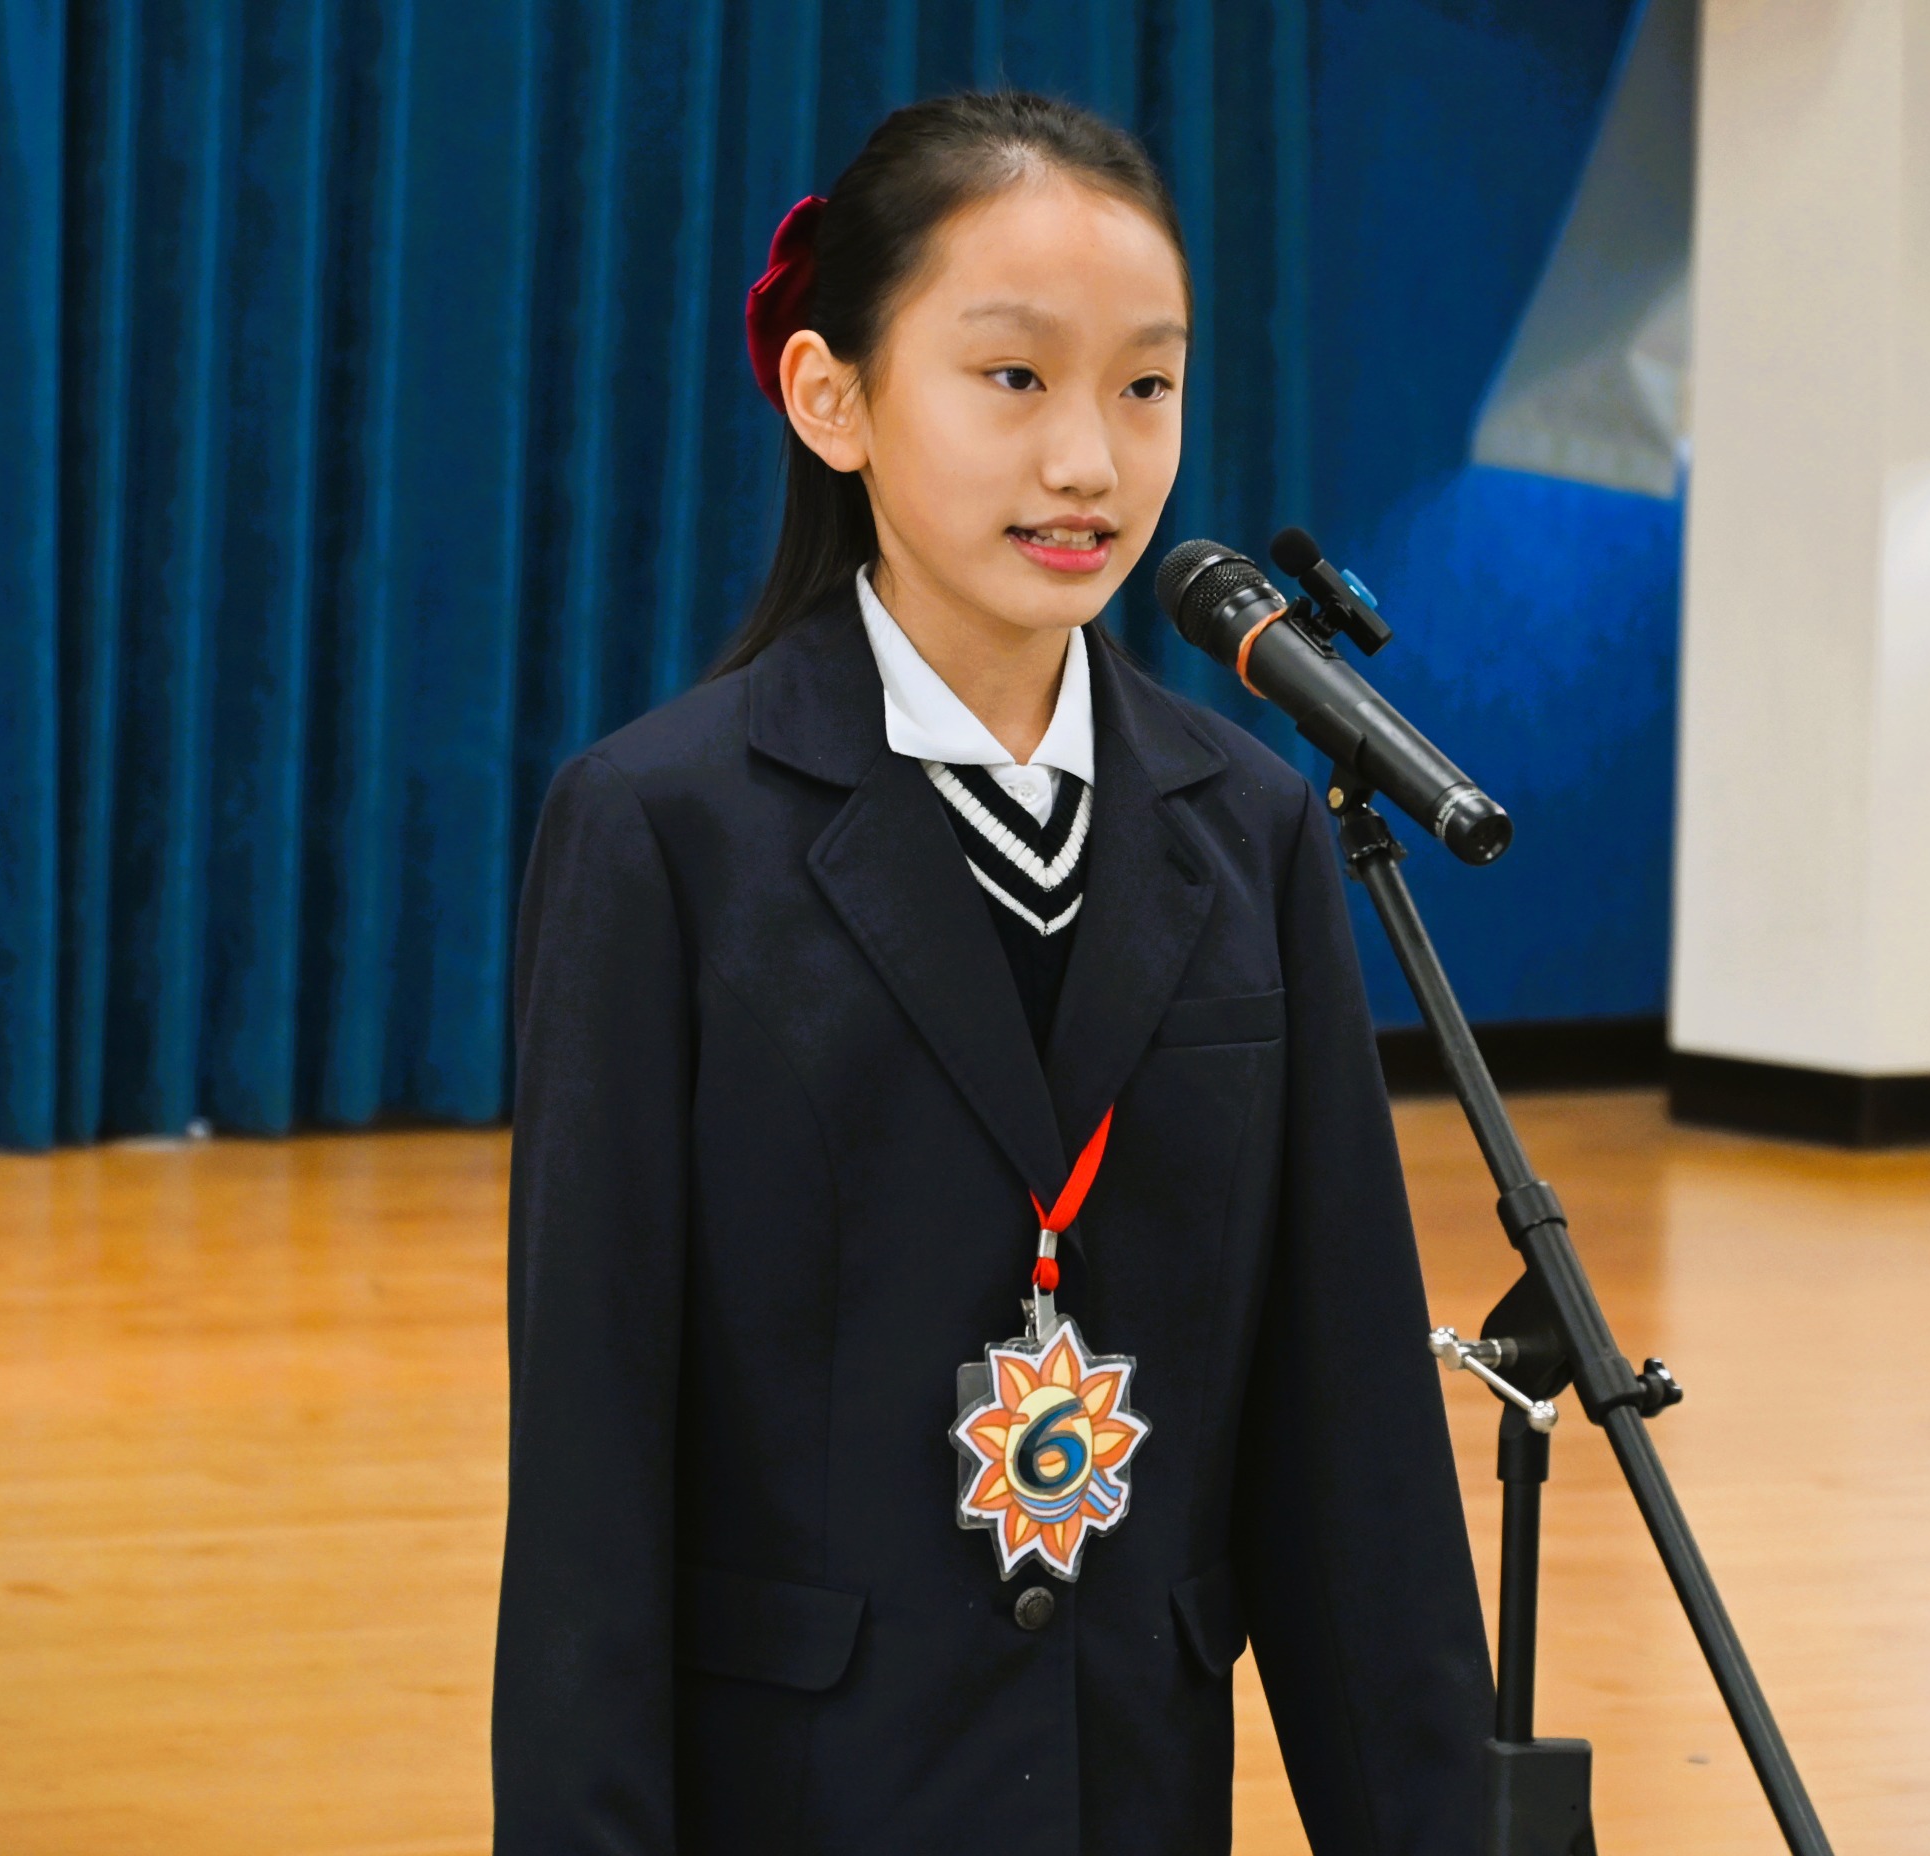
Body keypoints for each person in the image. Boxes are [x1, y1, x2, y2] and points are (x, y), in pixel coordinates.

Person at [495, 89, 1491, 1854]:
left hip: (1133, 1789)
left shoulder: (1250, 826)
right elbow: (590, 1459)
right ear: (833, 399)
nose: (1089, 462)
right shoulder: (663, 830)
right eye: (1014, 377)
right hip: (809, 1795)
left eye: (1146, 386)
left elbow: (1350, 1448)